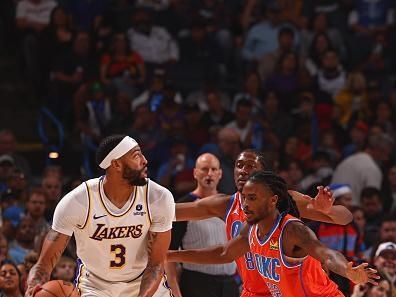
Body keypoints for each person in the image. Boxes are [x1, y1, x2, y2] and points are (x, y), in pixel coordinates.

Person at [173, 149, 353, 297]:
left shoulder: (284, 200)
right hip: (256, 292)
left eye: (251, 166)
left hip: (304, 289)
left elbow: (345, 218)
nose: (243, 170)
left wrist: (326, 209)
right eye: (239, 165)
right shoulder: (227, 204)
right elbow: (172, 212)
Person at [25, 135, 175, 297]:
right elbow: (43, 265)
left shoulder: (158, 197)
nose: (145, 160)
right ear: (116, 164)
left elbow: (156, 265)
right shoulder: (78, 201)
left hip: (143, 281)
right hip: (96, 286)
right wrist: (33, 287)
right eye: (136, 155)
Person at [166, 153, 239, 297]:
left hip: (230, 284)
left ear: (220, 174)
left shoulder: (231, 205)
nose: (209, 174)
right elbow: (168, 256)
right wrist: (174, 291)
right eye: (205, 169)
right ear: (195, 173)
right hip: (196, 283)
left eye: (213, 169)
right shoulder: (183, 206)